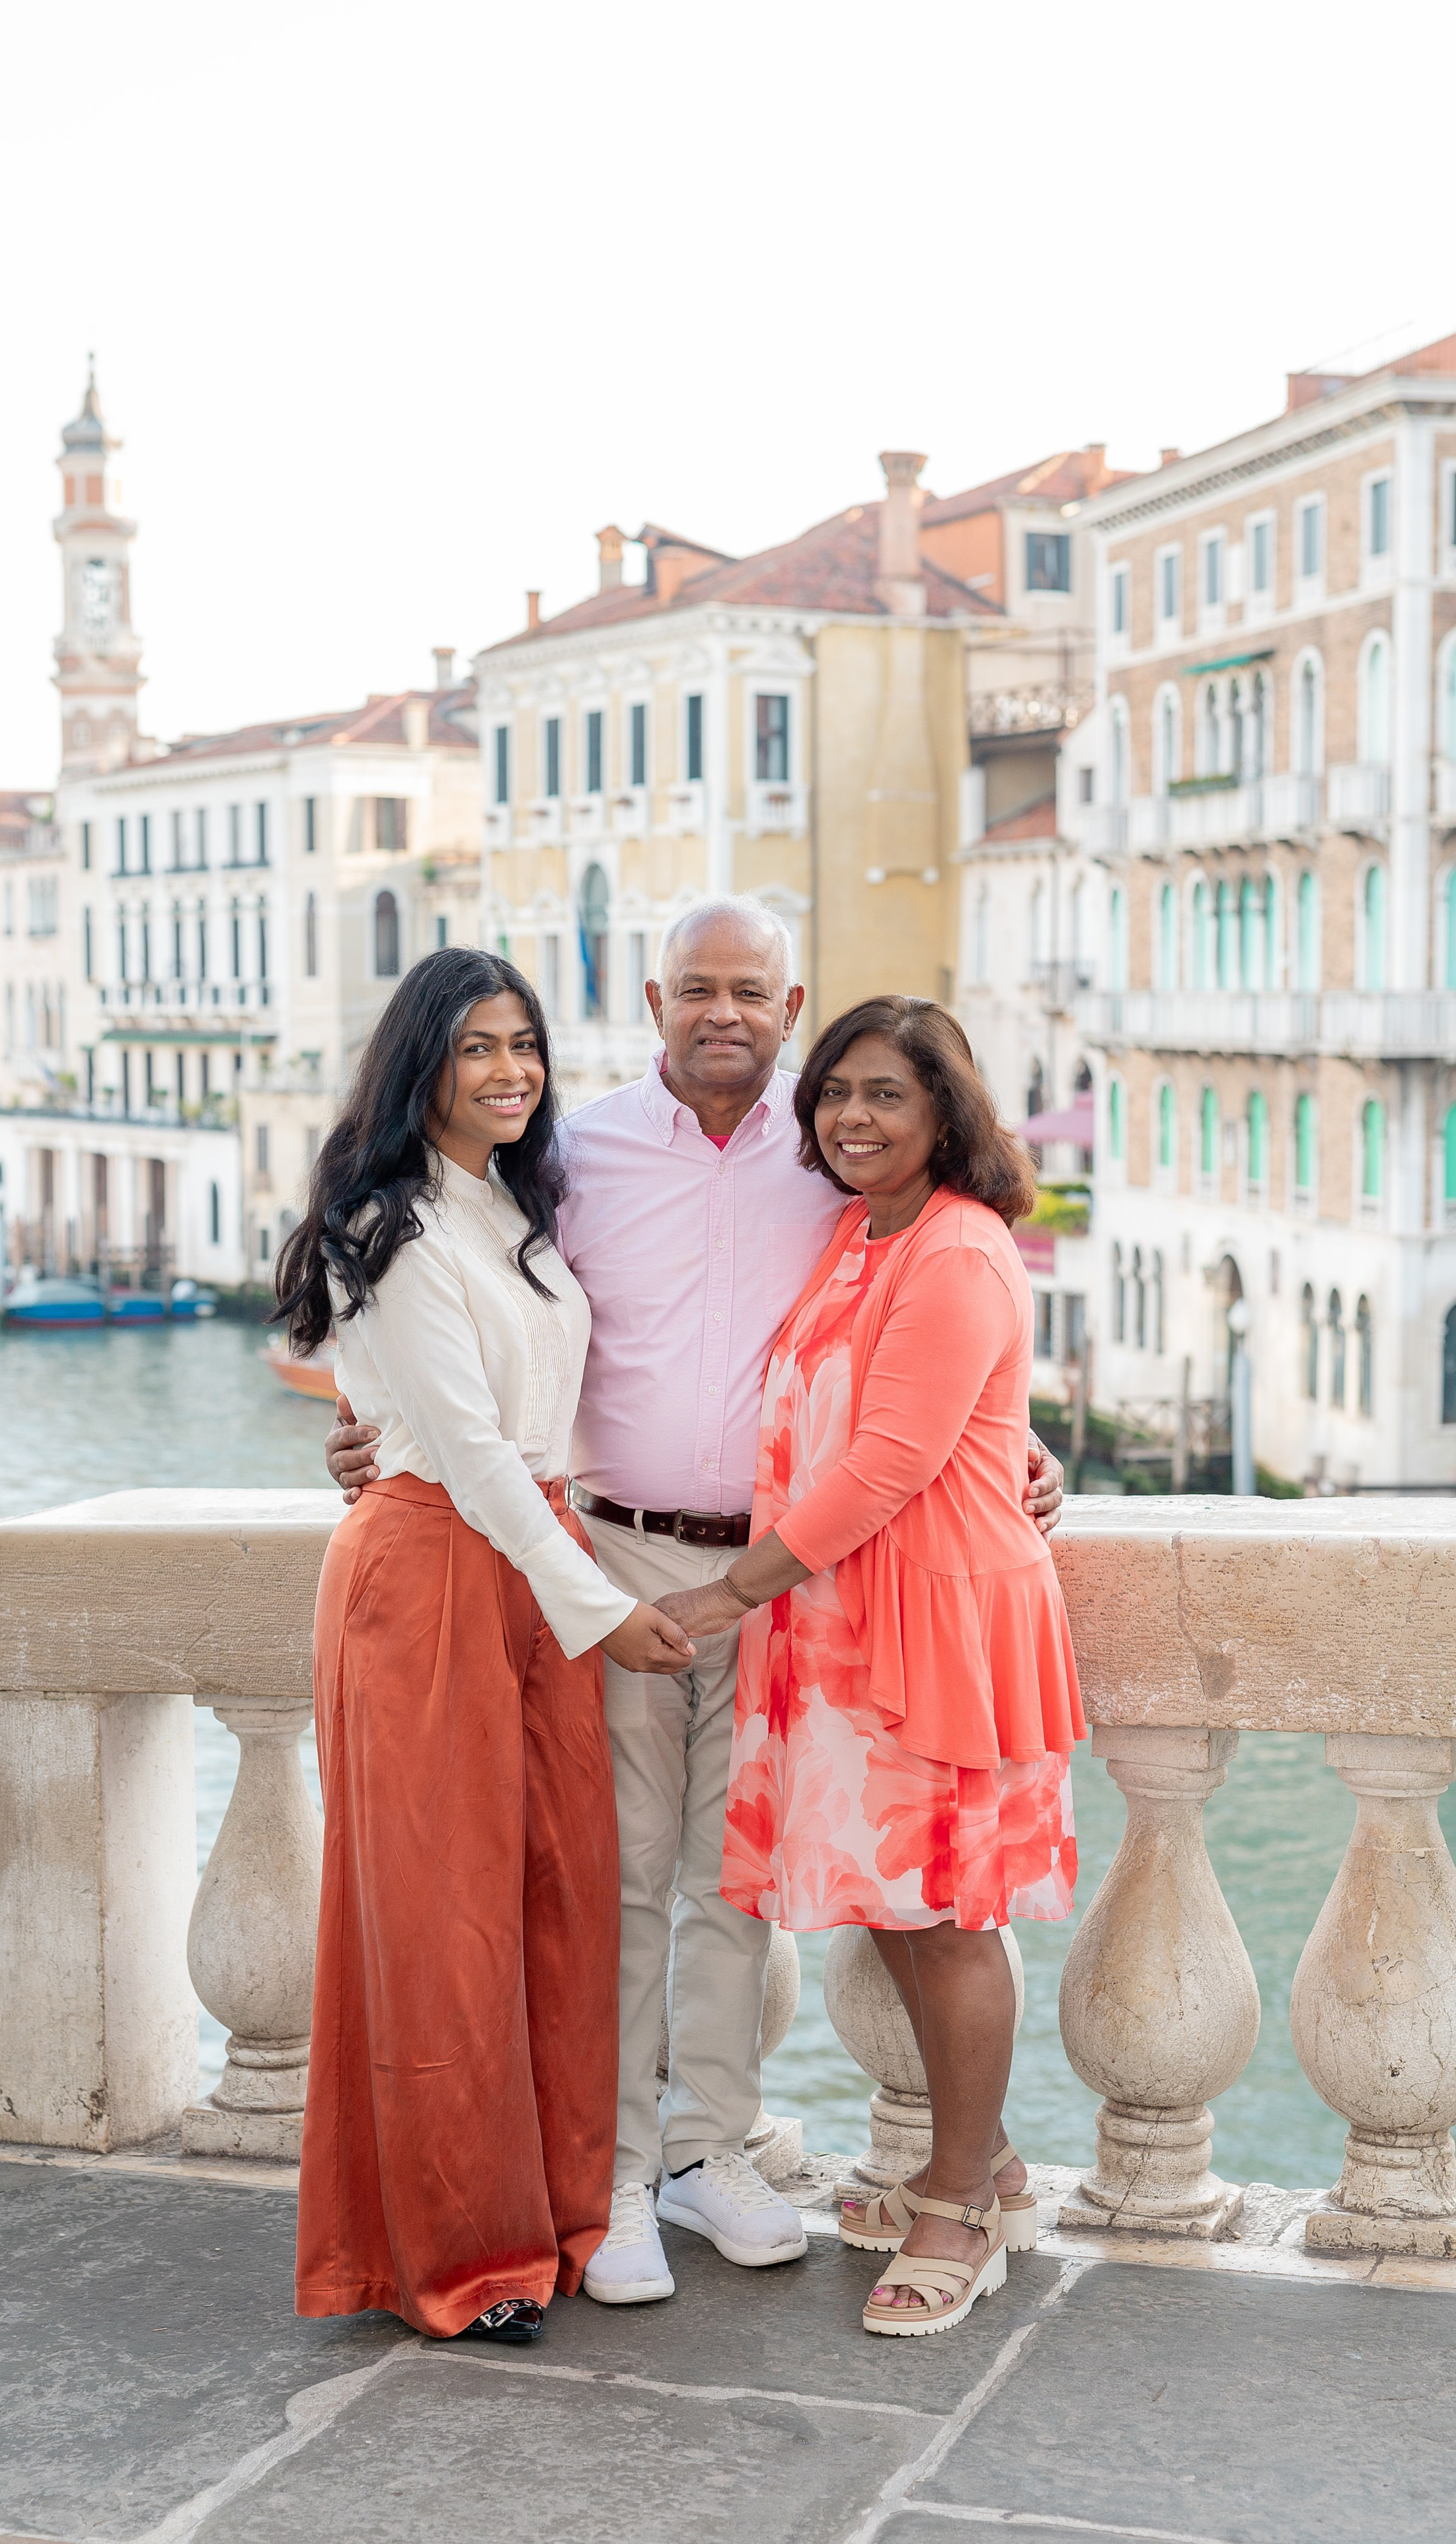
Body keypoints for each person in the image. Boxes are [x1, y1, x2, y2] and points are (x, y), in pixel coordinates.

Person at [326, 900, 1064, 2308]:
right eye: (695, 990)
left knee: (739, 1887)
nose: (722, 1013)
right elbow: (454, 1305)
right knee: (613, 1877)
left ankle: (708, 2148)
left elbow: (923, 1335)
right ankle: (608, 2175)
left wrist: (1018, 1440)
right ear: (653, 1004)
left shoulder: (840, 1152)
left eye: (751, 992)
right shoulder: (571, 1152)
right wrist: (368, 1430)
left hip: (793, 1585)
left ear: (791, 1008)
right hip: (606, 1560)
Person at [276, 948, 694, 2348]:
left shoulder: (510, 1205)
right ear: (422, 1065)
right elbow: (461, 1453)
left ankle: (561, 2209)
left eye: (523, 1043)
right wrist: (609, 1611)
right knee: (444, 1927)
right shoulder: (388, 1225)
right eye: (475, 1048)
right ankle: (459, 2255)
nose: (510, 1070)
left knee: (556, 1905)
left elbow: (534, 1421)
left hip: (529, 1573)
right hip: (435, 1581)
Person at [655, 996, 1084, 2341]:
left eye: (885, 1095)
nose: (850, 1116)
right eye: (834, 1091)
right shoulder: (859, 1230)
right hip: (850, 1616)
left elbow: (892, 1460)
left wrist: (729, 1588)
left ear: (943, 1112)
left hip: (933, 1614)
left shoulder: (955, 1249)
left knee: (947, 1915)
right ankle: (987, 2163)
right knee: (900, 1907)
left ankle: (963, 2204)